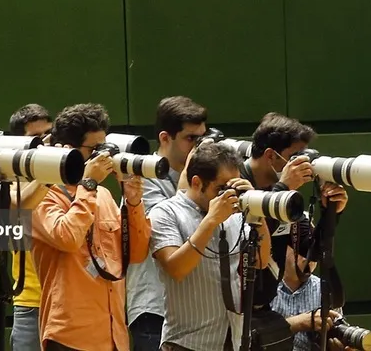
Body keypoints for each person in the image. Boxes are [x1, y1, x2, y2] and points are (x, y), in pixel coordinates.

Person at [32, 103, 150, 351]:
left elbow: (137, 254)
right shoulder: (43, 194)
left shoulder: (103, 195)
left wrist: (133, 202)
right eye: (95, 150)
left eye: (104, 147)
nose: (103, 156)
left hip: (113, 334)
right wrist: (88, 183)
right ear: (69, 149)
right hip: (70, 336)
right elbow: (67, 238)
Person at [149, 142, 271, 351]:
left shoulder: (235, 211)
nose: (228, 195)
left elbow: (261, 260)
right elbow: (176, 269)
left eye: (233, 186)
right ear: (197, 182)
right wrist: (211, 221)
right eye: (221, 188)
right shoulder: (166, 213)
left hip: (233, 340)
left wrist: (256, 209)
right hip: (186, 342)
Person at [238, 113, 349, 315]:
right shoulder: (236, 182)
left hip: (263, 307)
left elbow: (312, 252)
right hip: (232, 307)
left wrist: (330, 213)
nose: (301, 164)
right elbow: (246, 241)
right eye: (294, 157)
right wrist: (283, 188)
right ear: (271, 156)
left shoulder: (284, 194)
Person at [127, 96, 209, 351]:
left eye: (202, 138)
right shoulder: (143, 177)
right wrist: (186, 182)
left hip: (195, 310)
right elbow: (163, 232)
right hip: (155, 309)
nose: (197, 147)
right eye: (190, 138)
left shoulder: (203, 180)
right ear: (165, 138)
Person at [7, 104, 54, 351]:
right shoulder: (10, 178)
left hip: (67, 297)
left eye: (49, 134)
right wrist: (47, 172)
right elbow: (19, 207)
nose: (45, 143)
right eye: (36, 138)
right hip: (31, 300)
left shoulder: (66, 171)